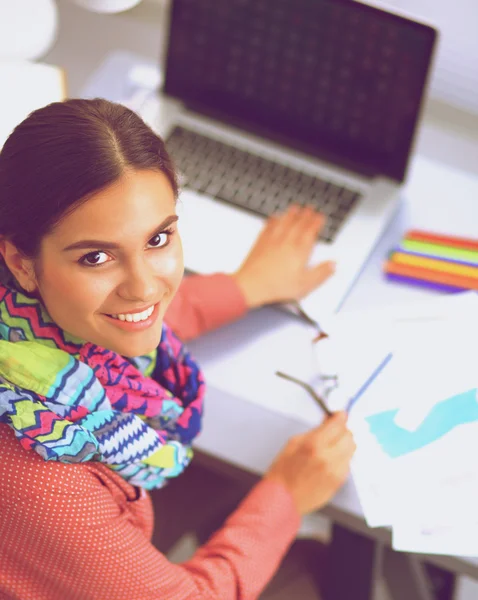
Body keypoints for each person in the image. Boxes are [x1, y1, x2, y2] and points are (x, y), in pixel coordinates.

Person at [0, 98, 355, 600]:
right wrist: (288, 496)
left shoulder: (20, 319)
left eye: (158, 238)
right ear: (20, 259)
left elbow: (133, 324)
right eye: (96, 257)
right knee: (320, 570)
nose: (145, 289)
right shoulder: (42, 480)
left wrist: (246, 286)